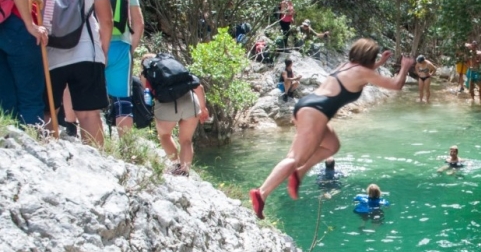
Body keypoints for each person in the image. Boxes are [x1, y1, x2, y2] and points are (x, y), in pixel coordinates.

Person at [249, 38, 414, 219]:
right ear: (368, 57)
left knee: (332, 146)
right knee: (294, 158)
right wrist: (405, 66)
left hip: (306, 106)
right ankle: (261, 193)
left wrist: (380, 62)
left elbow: (360, 75)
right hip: (316, 113)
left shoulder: (346, 66)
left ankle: (299, 172)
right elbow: (396, 85)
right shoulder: (362, 72)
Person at [34, 0, 113, 147]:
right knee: (88, 113)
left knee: (49, 110)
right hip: (86, 52)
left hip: (47, 51)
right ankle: (98, 162)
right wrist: (103, 51)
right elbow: (106, 20)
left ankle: (49, 154)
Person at [86, 0, 144, 134]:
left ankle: (93, 144)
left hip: (92, 45)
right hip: (121, 47)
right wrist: (130, 49)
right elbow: (139, 22)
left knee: (90, 97)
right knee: (122, 99)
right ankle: (126, 146)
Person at [140, 54, 209, 175]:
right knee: (186, 140)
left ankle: (176, 165)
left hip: (166, 105)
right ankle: (185, 171)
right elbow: (199, 86)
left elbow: (147, 94)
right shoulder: (173, 67)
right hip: (189, 102)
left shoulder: (146, 73)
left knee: (165, 135)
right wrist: (203, 108)